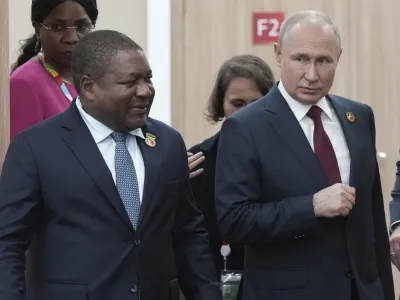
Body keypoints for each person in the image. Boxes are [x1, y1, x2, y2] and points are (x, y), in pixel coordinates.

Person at [0, 30, 221, 300]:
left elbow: (188, 234)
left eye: (148, 78)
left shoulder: (167, 143)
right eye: (130, 82)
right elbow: (7, 242)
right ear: (89, 86)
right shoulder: (36, 148)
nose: (145, 91)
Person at [215, 10, 394, 300]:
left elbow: (371, 218)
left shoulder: (358, 116)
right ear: (278, 54)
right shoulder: (245, 126)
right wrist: (310, 206)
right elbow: (235, 221)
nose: (312, 75)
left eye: (323, 61)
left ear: (339, 57)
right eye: (300, 59)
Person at [188, 55, 274, 285]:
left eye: (255, 103)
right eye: (237, 103)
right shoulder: (196, 161)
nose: (246, 113)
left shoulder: (289, 157)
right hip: (212, 282)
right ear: (221, 104)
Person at [10, 0, 98, 140]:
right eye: (57, 27)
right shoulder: (23, 84)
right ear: (38, 29)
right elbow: (19, 158)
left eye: (81, 26)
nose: (72, 38)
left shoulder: (97, 77)